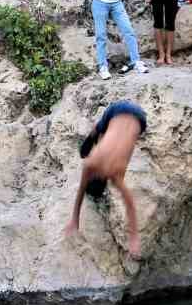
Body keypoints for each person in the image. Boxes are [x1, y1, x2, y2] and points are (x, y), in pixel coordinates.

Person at [63, 100, 147, 259]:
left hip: (140, 119)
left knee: (111, 137)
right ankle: (93, 136)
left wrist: (134, 238)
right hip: (117, 110)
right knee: (103, 133)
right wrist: (75, 218)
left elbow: (130, 205)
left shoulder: (116, 176)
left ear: (105, 183)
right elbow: (81, 192)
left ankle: (100, 136)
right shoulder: (91, 165)